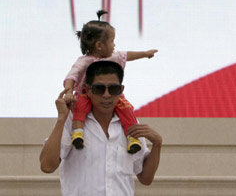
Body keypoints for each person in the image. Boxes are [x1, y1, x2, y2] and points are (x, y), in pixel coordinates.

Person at [40, 60, 162, 195]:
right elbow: (47, 166)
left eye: (113, 89)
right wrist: (61, 119)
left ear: (121, 90)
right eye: (99, 89)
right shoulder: (71, 121)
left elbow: (146, 178)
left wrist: (157, 143)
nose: (106, 95)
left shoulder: (131, 125)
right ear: (88, 90)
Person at [63, 10, 158, 153]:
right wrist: (69, 92)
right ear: (100, 45)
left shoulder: (113, 56)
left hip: (112, 95)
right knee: (79, 107)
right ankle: (77, 133)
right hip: (86, 94)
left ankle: (132, 138)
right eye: (112, 41)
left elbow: (127, 55)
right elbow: (71, 77)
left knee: (126, 109)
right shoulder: (83, 61)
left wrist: (144, 54)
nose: (114, 45)